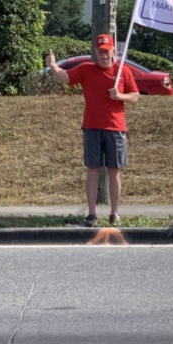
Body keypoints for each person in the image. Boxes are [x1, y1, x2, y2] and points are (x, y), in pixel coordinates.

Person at [46, 34, 140, 227]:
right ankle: (91, 213)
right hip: (92, 127)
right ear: (96, 52)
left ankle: (114, 214)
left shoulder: (124, 71)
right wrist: (54, 66)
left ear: (113, 51)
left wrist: (120, 96)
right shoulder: (87, 69)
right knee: (92, 170)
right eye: (100, 52)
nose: (104, 56)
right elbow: (65, 78)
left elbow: (135, 96)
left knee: (114, 171)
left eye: (107, 51)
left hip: (116, 127)